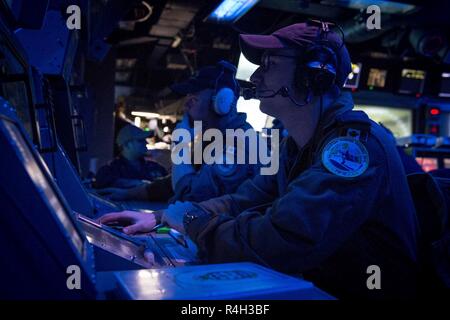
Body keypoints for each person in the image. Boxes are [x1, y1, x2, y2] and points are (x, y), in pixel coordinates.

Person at [99, 21, 419, 299]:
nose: (256, 75)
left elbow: (279, 241)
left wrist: (192, 221)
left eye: (269, 62)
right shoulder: (293, 148)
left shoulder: (353, 150)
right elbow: (242, 201)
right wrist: (164, 218)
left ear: (314, 75)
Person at [100, 61, 260, 203]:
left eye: (193, 100)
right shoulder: (213, 139)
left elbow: (189, 194)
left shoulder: (240, 145)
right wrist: (128, 194)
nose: (185, 106)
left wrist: (180, 143)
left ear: (221, 102)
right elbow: (173, 184)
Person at [94, 124, 168, 189]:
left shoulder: (156, 167)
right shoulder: (111, 170)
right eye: (140, 140)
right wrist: (137, 183)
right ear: (126, 145)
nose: (145, 142)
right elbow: (101, 182)